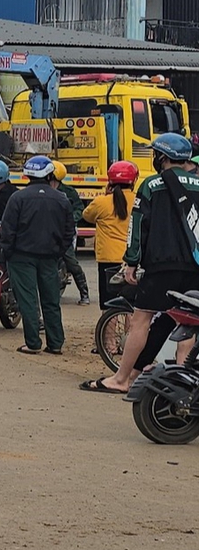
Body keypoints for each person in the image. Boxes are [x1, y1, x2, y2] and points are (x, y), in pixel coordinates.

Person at [85, 135, 199, 394]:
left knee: (141, 321)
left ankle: (122, 378)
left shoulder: (151, 184)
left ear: (162, 157)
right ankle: (183, 382)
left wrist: (131, 262)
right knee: (189, 322)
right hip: (195, 267)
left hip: (160, 267)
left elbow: (137, 227)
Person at [0, 154, 72, 355]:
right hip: (49, 258)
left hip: (21, 257)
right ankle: (55, 343)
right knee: (51, 300)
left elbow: (7, 229)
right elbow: (69, 232)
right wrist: (58, 252)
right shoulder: (61, 199)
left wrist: (7, 252)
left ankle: (33, 343)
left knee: (28, 300)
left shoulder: (18, 198)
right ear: (49, 175)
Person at [81, 160, 139, 308]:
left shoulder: (101, 202)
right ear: (133, 181)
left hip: (107, 259)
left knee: (109, 305)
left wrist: (107, 195)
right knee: (129, 306)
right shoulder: (139, 200)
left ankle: (108, 332)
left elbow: (86, 216)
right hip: (132, 259)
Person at [53, 162, 90, 305]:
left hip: (65, 233)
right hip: (47, 232)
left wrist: (69, 219)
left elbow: (79, 209)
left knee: (71, 262)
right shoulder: (41, 190)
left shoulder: (68, 192)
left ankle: (84, 293)